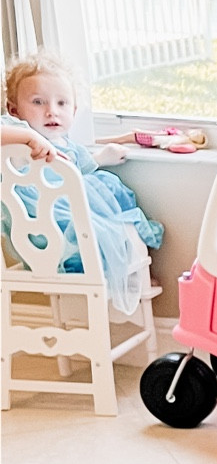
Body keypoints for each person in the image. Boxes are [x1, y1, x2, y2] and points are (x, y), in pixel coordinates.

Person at [3, 53, 164, 314]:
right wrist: (29, 137)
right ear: (14, 110)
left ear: (74, 111)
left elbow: (82, 165)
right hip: (43, 221)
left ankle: (121, 273)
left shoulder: (69, 146)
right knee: (91, 228)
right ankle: (113, 273)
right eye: (37, 102)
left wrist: (104, 156)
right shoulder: (17, 141)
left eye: (62, 103)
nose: (51, 111)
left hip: (76, 212)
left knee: (109, 194)